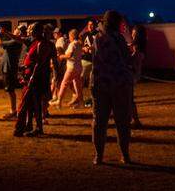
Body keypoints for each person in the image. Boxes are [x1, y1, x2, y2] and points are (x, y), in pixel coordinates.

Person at [91, 10, 133, 165]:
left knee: (99, 123)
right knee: (122, 122)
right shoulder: (119, 39)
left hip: (101, 84)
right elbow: (127, 59)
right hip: (119, 84)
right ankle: (125, 155)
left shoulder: (98, 38)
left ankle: (98, 156)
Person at [14, 22, 55, 137]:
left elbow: (39, 63)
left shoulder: (42, 44)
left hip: (36, 78)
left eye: (31, 29)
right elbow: (33, 61)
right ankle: (33, 127)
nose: (29, 31)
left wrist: (32, 78)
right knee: (33, 104)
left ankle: (21, 128)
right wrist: (25, 67)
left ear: (37, 31)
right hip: (32, 76)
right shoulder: (35, 41)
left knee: (26, 104)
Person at [0, 24, 25, 119]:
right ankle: (13, 110)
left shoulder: (15, 42)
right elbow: (8, 56)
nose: (14, 30)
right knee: (10, 90)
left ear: (19, 32)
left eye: (16, 29)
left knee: (10, 90)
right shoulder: (15, 41)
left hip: (9, 69)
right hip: (8, 68)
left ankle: (13, 111)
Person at [54, 28, 85, 107]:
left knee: (64, 83)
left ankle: (59, 100)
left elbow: (69, 55)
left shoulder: (73, 44)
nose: (69, 38)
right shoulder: (78, 43)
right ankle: (81, 102)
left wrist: (61, 56)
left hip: (72, 67)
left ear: (72, 36)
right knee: (77, 84)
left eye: (69, 36)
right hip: (78, 67)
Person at [129, 22, 146, 129]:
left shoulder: (137, 49)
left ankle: (136, 120)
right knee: (128, 98)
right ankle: (133, 119)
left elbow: (133, 59)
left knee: (129, 98)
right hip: (135, 73)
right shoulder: (140, 46)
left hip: (132, 73)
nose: (132, 34)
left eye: (134, 33)